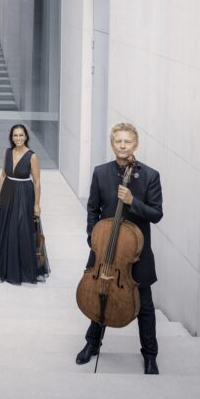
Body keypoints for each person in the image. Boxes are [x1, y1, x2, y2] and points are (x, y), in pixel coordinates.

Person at [76, 123, 163, 374]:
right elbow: (93, 209)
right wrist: (94, 238)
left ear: (135, 145)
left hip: (136, 255)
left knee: (145, 306)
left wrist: (132, 201)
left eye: (127, 142)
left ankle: (150, 355)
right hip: (104, 250)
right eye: (118, 141)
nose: (122, 146)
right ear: (112, 144)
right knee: (99, 297)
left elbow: (156, 214)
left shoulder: (150, 176)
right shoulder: (101, 172)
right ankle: (92, 344)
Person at [0, 124, 49, 284]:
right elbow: (3, 175)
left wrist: (37, 204)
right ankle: (7, 268)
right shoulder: (7, 153)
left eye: (21, 135)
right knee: (7, 228)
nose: (18, 138)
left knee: (22, 229)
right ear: (11, 137)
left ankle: (22, 269)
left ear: (26, 137)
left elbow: (37, 182)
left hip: (24, 194)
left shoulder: (32, 156)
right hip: (8, 192)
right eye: (15, 135)